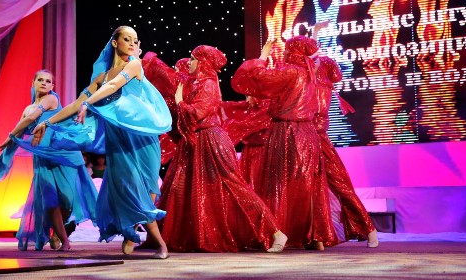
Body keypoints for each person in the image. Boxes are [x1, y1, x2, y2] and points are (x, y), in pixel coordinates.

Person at [32, 26, 172, 259]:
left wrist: (89, 103)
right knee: (126, 186)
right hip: (118, 141)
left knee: (147, 188)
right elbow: (74, 105)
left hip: (141, 139)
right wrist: (47, 123)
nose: (132, 43)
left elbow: (114, 86)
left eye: (135, 39)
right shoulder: (102, 77)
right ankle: (156, 242)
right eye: (126, 38)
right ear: (115, 43)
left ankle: (140, 234)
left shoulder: (134, 65)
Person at [153, 45, 288, 252]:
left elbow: (198, 112)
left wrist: (180, 103)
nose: (189, 62)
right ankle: (176, 236)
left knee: (236, 187)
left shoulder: (208, 83)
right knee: (182, 188)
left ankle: (276, 233)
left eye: (193, 59)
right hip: (197, 141)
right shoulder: (198, 83)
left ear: (203, 62)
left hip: (211, 140)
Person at [232, 38, 338, 250]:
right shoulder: (311, 74)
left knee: (278, 184)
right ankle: (314, 237)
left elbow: (258, 79)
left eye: (288, 49)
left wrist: (262, 57)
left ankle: (277, 235)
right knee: (306, 185)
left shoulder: (292, 72)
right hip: (308, 133)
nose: (286, 53)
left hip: (287, 130)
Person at [0, 69, 98, 251]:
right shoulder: (28, 108)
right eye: (40, 80)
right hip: (42, 157)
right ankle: (64, 241)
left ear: (52, 86)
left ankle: (57, 232)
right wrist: (9, 143)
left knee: (67, 199)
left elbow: (30, 119)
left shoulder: (51, 99)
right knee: (50, 200)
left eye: (48, 81)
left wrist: (9, 136)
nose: (44, 83)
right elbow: (21, 127)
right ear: (33, 83)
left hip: (63, 153)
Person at [307, 38, 379, 247]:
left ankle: (369, 229)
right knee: (310, 190)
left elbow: (316, 118)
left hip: (317, 140)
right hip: (306, 139)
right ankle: (317, 237)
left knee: (340, 186)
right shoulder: (309, 83)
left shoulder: (321, 87)